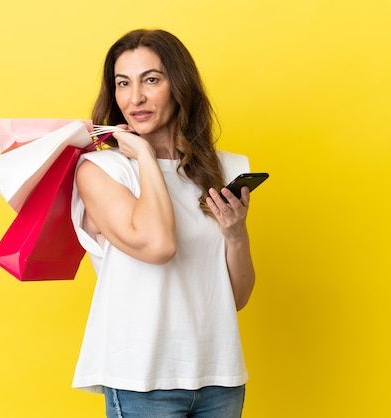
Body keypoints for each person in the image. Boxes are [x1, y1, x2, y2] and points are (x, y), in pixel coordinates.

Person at [71, 28, 256, 418]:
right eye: (123, 83)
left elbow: (234, 299)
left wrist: (235, 234)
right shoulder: (100, 170)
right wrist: (142, 155)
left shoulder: (228, 169)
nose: (134, 97)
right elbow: (158, 246)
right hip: (143, 380)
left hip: (219, 376)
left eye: (151, 80)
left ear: (179, 86)